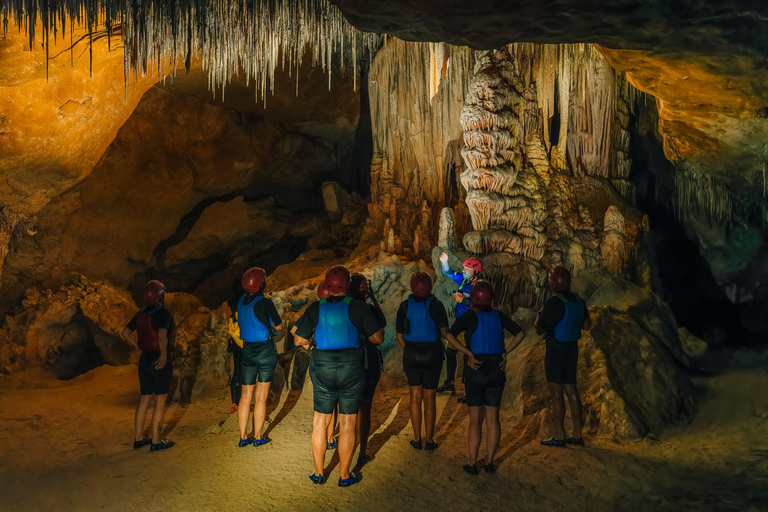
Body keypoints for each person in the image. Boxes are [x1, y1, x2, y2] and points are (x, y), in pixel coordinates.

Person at [293, 266, 384, 487]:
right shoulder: (358, 307)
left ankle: (318, 472)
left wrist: (312, 345)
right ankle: (344, 475)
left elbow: (297, 340)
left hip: (323, 367)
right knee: (347, 422)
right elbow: (378, 338)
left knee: (320, 422)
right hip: (351, 368)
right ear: (348, 284)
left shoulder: (316, 308)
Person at [444, 280, 525, 474]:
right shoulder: (499, 316)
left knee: (475, 420)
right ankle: (489, 462)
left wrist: (467, 353)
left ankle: (472, 463)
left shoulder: (469, 316)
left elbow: (448, 335)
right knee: (492, 419)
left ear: (473, 297)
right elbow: (520, 334)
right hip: (496, 369)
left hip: (475, 368)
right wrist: (505, 352)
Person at [534, 266, 590, 448]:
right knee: (572, 391)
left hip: (556, 350)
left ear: (552, 283)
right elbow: (587, 325)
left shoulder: (553, 302)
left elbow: (540, 329)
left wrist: (538, 318)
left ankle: (559, 436)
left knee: (557, 393)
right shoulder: (578, 301)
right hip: (572, 349)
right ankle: (577, 435)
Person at [396, 272, 449, 451]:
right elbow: (443, 331)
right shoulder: (436, 305)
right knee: (429, 398)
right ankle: (430, 440)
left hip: (411, 354)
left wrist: (409, 349)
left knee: (415, 397)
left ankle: (417, 438)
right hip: (432, 354)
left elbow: (399, 335)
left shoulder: (404, 306)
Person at [121, 280, 177, 452]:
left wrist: (138, 347)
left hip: (144, 360)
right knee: (160, 401)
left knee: (144, 399)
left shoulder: (141, 313)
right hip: (158, 360)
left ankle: (138, 438)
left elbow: (125, 333)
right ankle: (156, 440)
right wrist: (164, 355)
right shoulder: (164, 314)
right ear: (160, 296)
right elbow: (162, 336)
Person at [233, 267, 283, 448]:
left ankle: (243, 437)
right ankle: (258, 436)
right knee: (260, 397)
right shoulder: (266, 303)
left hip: (247, 351)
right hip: (265, 351)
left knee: (245, 396)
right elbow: (278, 326)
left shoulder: (240, 301)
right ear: (261, 284)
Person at [348, 273, 387, 466]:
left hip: (348, 362)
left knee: (347, 410)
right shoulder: (367, 308)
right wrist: (372, 297)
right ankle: (361, 451)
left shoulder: (343, 308)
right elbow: (382, 324)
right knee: (365, 408)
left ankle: (341, 447)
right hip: (368, 361)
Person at [437, 252, 483, 400]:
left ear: (475, 271)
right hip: (459, 324)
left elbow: (480, 305)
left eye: (467, 269)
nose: (463, 271)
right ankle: (450, 383)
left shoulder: (480, 286)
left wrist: (463, 300)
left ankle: (469, 391)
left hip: (471, 326)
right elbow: (448, 272)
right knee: (450, 352)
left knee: (467, 358)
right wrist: (445, 261)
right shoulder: (463, 280)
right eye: (464, 268)